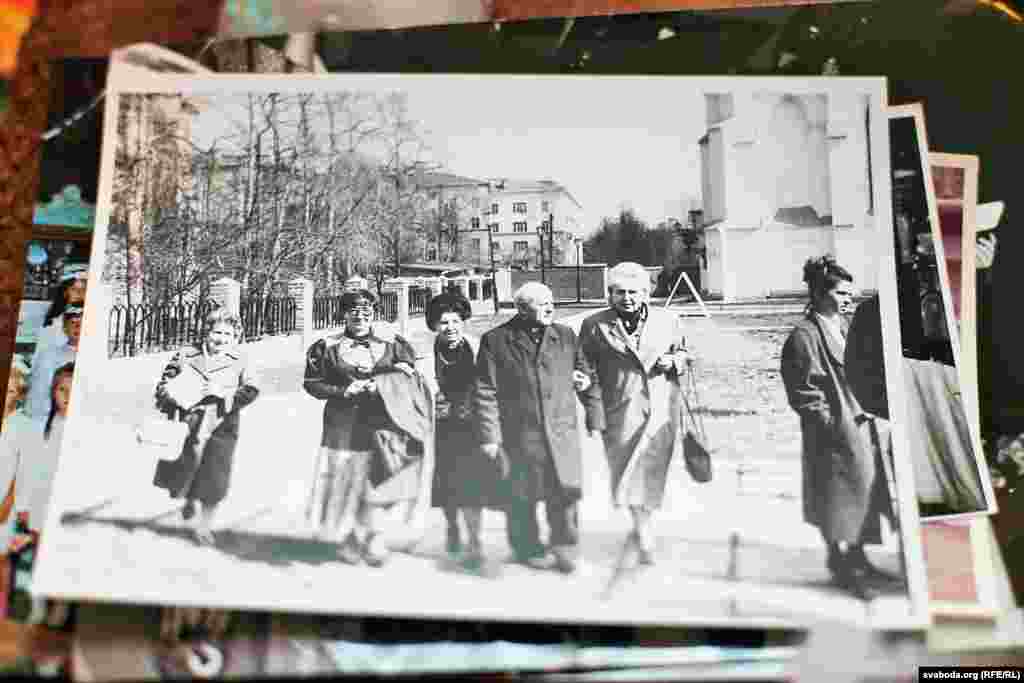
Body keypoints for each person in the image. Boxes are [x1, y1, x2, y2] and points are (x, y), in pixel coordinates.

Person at [780, 256, 897, 602]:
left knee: (864, 492)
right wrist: (830, 424)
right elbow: (803, 391)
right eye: (842, 293)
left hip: (860, 424)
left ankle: (857, 556)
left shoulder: (844, 327)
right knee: (834, 496)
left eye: (850, 292)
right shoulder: (804, 336)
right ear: (819, 294)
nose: (850, 298)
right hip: (833, 432)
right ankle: (840, 563)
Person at [473, 282, 604, 574]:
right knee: (522, 495)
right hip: (519, 433)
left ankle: (565, 547)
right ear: (521, 308)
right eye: (542, 303)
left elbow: (586, 374)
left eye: (551, 302)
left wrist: (593, 413)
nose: (550, 308)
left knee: (565, 492)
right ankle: (526, 548)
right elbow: (485, 390)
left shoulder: (566, 335)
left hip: (561, 430)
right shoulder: (496, 340)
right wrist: (490, 435)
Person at [303, 289, 434, 568]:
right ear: (343, 314)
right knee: (348, 482)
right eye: (353, 312)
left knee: (382, 479)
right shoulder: (326, 346)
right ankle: (355, 536)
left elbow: (410, 378)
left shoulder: (394, 344)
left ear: (374, 314)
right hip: (344, 425)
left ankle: (372, 537)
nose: (360, 317)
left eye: (366, 312)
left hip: (385, 422)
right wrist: (342, 391)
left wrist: (383, 384)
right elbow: (312, 384)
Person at [579, 262, 691, 565]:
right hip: (620, 410)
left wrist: (674, 361)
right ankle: (642, 528)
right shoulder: (594, 325)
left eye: (633, 292)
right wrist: (593, 411)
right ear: (610, 295)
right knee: (626, 470)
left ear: (645, 293)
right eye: (619, 292)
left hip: (660, 407)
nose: (627, 298)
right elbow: (585, 369)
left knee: (652, 468)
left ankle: (644, 526)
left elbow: (684, 353)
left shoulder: (668, 320)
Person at [152, 309, 260, 547]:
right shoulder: (186, 355)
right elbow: (163, 384)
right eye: (216, 332)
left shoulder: (241, 360)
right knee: (186, 468)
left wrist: (224, 393)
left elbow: (251, 391)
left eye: (228, 334)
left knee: (215, 476)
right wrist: (169, 393)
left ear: (236, 337)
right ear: (207, 332)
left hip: (222, 425)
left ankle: (204, 526)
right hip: (188, 422)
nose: (221, 339)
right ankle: (189, 499)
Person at [424, 291, 502, 570]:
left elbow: (491, 385)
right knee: (446, 481)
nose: (450, 327)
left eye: (455, 321)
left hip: (472, 423)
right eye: (444, 322)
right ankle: (452, 526)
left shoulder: (477, 347)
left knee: (472, 484)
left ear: (464, 321)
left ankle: (475, 542)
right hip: (444, 425)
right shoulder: (428, 354)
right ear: (435, 325)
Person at [26, 304, 82, 421]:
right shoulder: (50, 355)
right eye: (73, 322)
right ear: (65, 328)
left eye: (82, 322)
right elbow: (38, 393)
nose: (78, 326)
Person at [35, 260, 88, 357]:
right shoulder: (53, 324)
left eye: (84, 289)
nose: (79, 293)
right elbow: (42, 354)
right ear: (65, 292)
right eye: (74, 289)